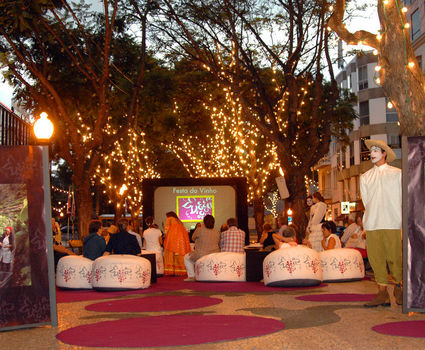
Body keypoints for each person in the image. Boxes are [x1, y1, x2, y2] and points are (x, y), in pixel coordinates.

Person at [360, 139, 402, 307]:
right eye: (371, 150)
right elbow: (366, 201)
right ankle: (382, 292)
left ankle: (399, 288)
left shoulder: (397, 174)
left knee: (395, 257)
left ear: (384, 153)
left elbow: (402, 198)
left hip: (393, 221)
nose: (373, 153)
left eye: (377, 150)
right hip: (372, 222)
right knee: (376, 259)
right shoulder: (365, 177)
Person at [183, 214, 221, 281]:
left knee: (186, 258)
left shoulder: (199, 230)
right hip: (214, 254)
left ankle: (192, 276)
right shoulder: (217, 232)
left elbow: (192, 238)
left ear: (204, 222)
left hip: (201, 254)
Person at [163, 211, 191, 276]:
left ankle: (171, 271)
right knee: (179, 256)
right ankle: (180, 271)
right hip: (181, 242)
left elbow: (166, 229)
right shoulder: (179, 221)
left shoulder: (169, 219)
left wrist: (165, 237)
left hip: (172, 240)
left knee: (170, 255)